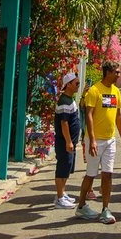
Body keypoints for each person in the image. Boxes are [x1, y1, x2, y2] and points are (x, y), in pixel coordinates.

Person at [75, 61, 121, 223]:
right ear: (108, 73)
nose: (119, 75)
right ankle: (81, 206)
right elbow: (89, 115)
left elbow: (118, 116)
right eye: (116, 72)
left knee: (108, 174)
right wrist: (91, 140)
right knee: (91, 174)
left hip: (110, 140)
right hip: (95, 140)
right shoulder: (94, 90)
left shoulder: (116, 92)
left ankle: (106, 209)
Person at [53, 72, 80, 209]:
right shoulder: (64, 101)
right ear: (68, 84)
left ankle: (62, 193)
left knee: (67, 168)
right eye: (76, 83)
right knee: (63, 168)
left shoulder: (69, 99)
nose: (78, 86)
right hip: (64, 142)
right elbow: (64, 124)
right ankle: (59, 197)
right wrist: (68, 141)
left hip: (70, 142)